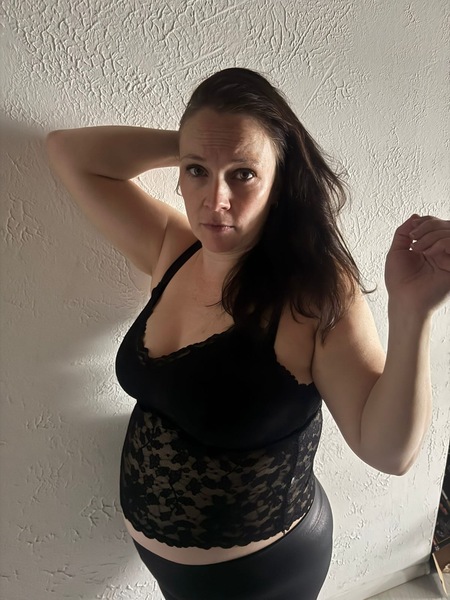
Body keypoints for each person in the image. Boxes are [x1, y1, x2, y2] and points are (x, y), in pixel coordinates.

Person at [45, 67, 450, 600]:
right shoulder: (173, 248)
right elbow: (69, 152)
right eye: (196, 172)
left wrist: (412, 310)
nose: (215, 200)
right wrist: (202, 145)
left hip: (262, 576)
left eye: (243, 174)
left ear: (280, 180)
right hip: (168, 569)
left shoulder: (314, 295)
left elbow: (388, 453)